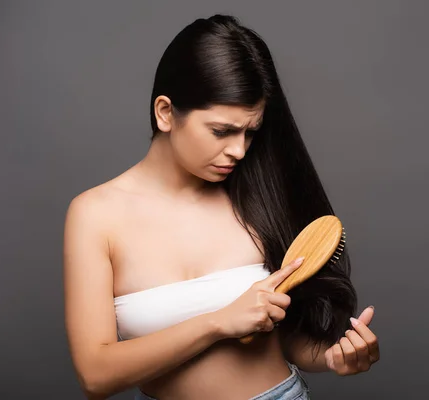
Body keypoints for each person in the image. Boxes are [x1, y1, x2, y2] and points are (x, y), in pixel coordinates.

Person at [63, 14, 380, 400]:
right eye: (221, 131)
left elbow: (289, 342)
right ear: (165, 113)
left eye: (250, 132)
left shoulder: (255, 196)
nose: (239, 150)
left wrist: (335, 356)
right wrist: (216, 323)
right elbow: (95, 376)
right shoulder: (95, 215)